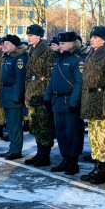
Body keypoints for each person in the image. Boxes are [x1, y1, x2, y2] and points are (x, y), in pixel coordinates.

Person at [44, 31, 84, 175]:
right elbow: (52, 80)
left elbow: (79, 82)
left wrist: (74, 102)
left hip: (69, 102)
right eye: (59, 43)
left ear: (73, 43)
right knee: (61, 133)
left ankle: (73, 162)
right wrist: (47, 97)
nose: (60, 46)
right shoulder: (58, 59)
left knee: (71, 133)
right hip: (57, 101)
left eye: (63, 43)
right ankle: (65, 159)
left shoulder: (77, 60)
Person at [79, 26, 105, 184]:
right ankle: (97, 167)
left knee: (103, 137)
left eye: (96, 37)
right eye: (92, 37)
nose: (92, 39)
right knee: (93, 137)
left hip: (101, 100)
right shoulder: (90, 54)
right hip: (90, 99)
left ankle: (104, 170)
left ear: (104, 40)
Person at [24, 24, 55, 167]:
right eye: (28, 35)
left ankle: (45, 155)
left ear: (39, 36)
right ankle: (39, 153)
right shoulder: (31, 51)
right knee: (36, 126)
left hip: (41, 93)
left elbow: (50, 76)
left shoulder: (47, 52)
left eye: (31, 35)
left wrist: (46, 95)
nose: (29, 37)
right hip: (33, 92)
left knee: (44, 126)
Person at [0, 35, 28, 160]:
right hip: (6, 93)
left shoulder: (19, 58)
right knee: (10, 124)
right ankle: (12, 148)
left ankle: (16, 150)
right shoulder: (7, 57)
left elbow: (20, 79)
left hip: (13, 94)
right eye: (3, 43)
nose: (3, 45)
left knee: (15, 124)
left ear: (14, 46)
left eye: (7, 43)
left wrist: (17, 97)